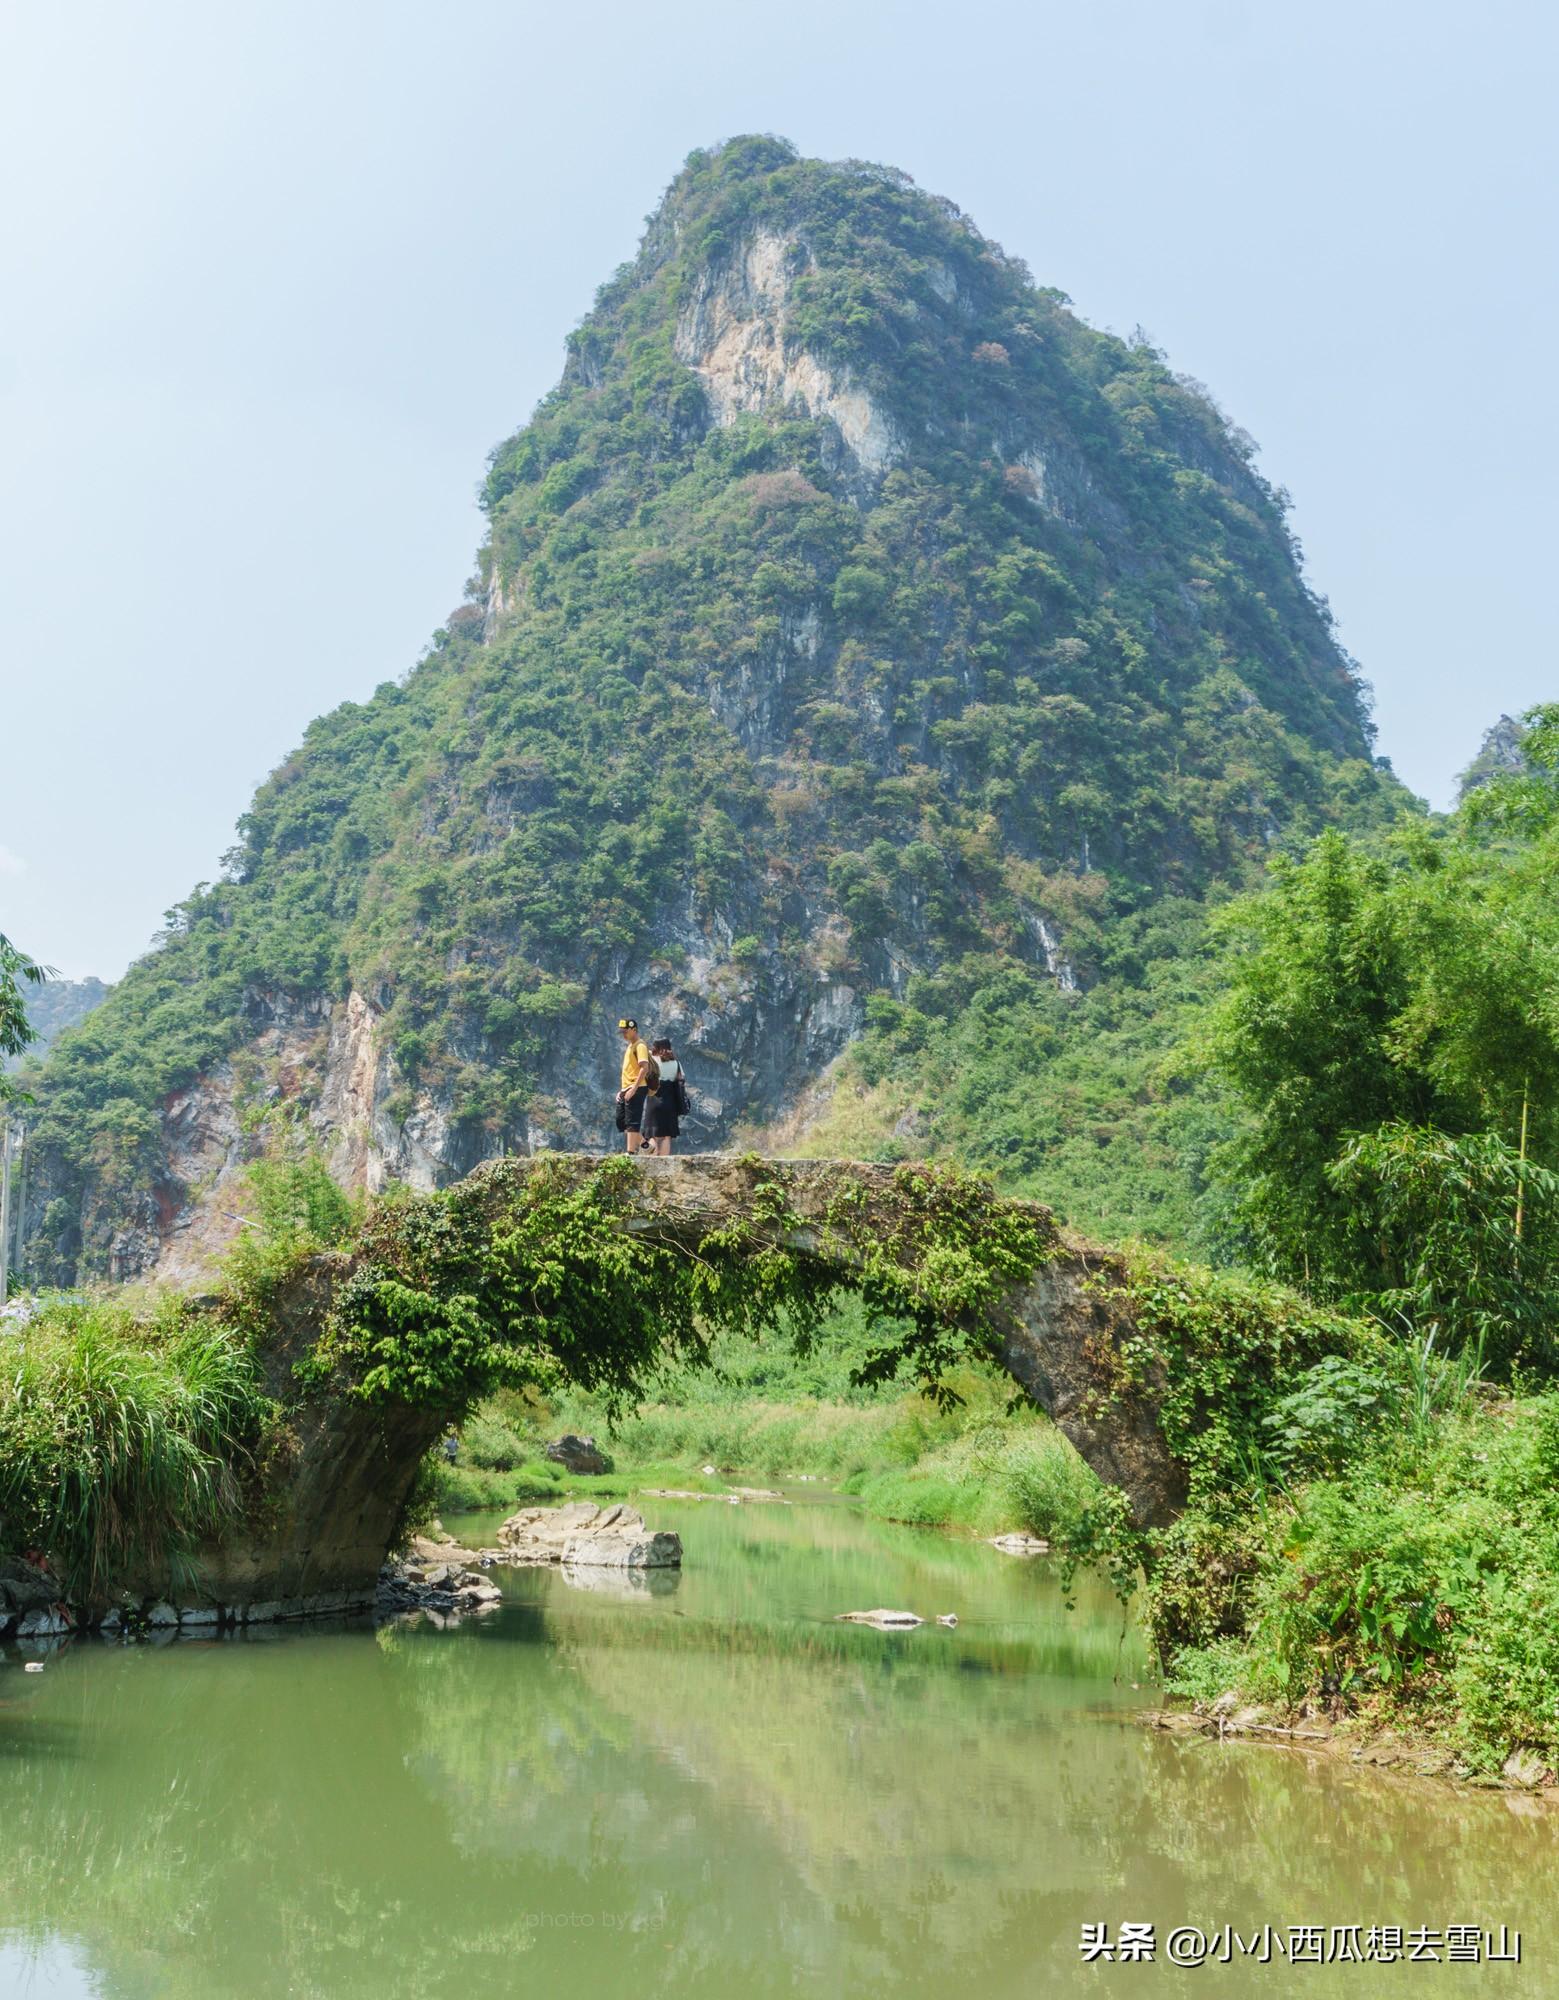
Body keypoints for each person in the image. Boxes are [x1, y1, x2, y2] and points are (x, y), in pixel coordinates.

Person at [639, 1037, 689, 1156]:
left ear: (656, 1047)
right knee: (667, 1135)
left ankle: (652, 1154)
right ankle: (664, 1158)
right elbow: (682, 1078)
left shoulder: (653, 1061)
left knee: (651, 1132)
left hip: (653, 1101)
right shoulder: (676, 1063)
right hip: (670, 1103)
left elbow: (645, 1075)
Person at [614, 1016, 652, 1153]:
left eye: (626, 1031)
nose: (623, 1034)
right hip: (627, 1087)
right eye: (622, 1032)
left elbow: (644, 1068)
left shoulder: (640, 1045)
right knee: (621, 1121)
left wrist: (634, 1089)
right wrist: (622, 1090)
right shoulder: (630, 1046)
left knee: (632, 1121)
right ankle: (646, 1146)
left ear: (634, 1029)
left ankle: (630, 1152)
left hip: (637, 1087)